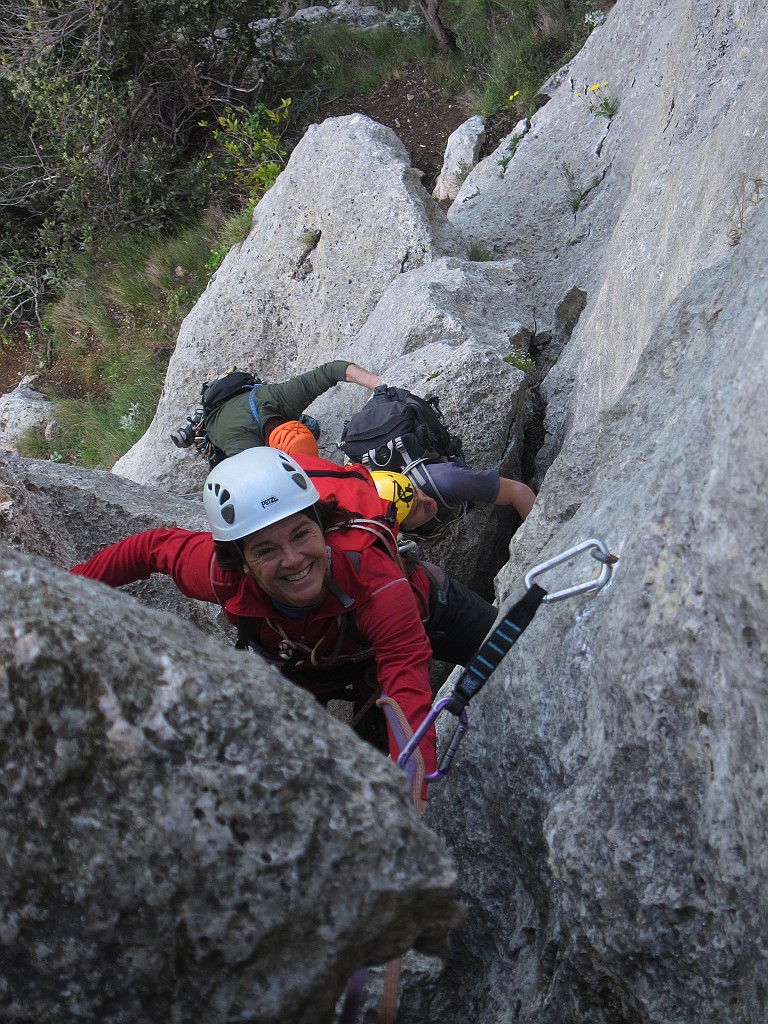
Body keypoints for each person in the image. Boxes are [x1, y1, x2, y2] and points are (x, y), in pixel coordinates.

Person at [70, 449, 497, 783]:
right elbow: (150, 549)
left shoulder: (372, 577)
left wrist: (413, 791)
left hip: (424, 612)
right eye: (266, 550)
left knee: (514, 654)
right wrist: (63, 589)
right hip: (310, 663)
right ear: (241, 560)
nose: (293, 560)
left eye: (300, 534)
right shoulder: (223, 577)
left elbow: (407, 691)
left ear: (321, 525)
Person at [205, 360, 381, 459]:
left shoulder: (282, 397)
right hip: (218, 421)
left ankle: (302, 423)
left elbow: (332, 370)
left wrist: (378, 384)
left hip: (258, 402)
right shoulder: (243, 447)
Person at [371, 462, 536, 542]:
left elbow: (518, 491)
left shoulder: (448, 481)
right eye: (416, 510)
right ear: (399, 529)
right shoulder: (382, 541)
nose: (427, 501)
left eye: (415, 491)